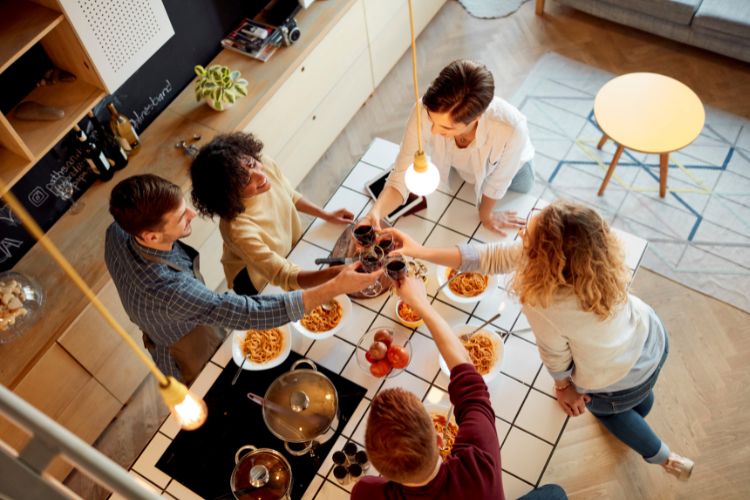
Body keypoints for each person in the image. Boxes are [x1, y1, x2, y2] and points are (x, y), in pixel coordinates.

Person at [384, 199, 694, 480]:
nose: (520, 232)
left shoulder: (546, 301)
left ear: (544, 257)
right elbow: (489, 256)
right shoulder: (591, 259)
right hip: (652, 338)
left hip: (617, 375)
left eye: (527, 234)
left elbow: (554, 355)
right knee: (640, 392)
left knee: (609, 411)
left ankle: (666, 459)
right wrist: (418, 250)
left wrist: (564, 388)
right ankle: (639, 400)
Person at [105, 174, 379, 384]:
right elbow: (245, 312)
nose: (192, 214)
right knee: (218, 378)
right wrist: (335, 286)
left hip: (161, 316)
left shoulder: (117, 231)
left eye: (184, 205)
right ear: (150, 237)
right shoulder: (168, 289)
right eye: (180, 216)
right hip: (187, 340)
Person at [352, 275, 567, 500]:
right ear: (439, 440)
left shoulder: (365, 492)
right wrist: (421, 303)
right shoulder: (478, 466)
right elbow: (466, 374)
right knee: (556, 493)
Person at [365, 59, 535, 235]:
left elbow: (497, 184)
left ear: (476, 118)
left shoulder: (512, 129)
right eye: (431, 119)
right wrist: (374, 213)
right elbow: (400, 176)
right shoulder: (423, 110)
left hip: (515, 175)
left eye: (446, 127)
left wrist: (486, 215)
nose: (433, 130)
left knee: (518, 198)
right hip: (462, 168)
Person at [190, 132, 354, 295]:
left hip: (283, 253)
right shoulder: (237, 228)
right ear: (228, 194)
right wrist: (333, 276)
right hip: (255, 277)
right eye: (246, 181)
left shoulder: (265, 164)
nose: (261, 177)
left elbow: (288, 194)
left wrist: (326, 214)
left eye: (252, 164)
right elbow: (282, 274)